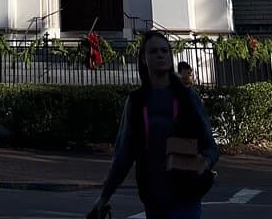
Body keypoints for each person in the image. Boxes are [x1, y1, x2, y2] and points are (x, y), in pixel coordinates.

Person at [87, 29, 218, 219]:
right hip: (154, 197)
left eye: (164, 51)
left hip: (186, 194)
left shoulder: (188, 97)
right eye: (153, 51)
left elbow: (210, 146)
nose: (160, 55)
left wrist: (204, 163)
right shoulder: (137, 101)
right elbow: (124, 155)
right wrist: (104, 197)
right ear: (143, 59)